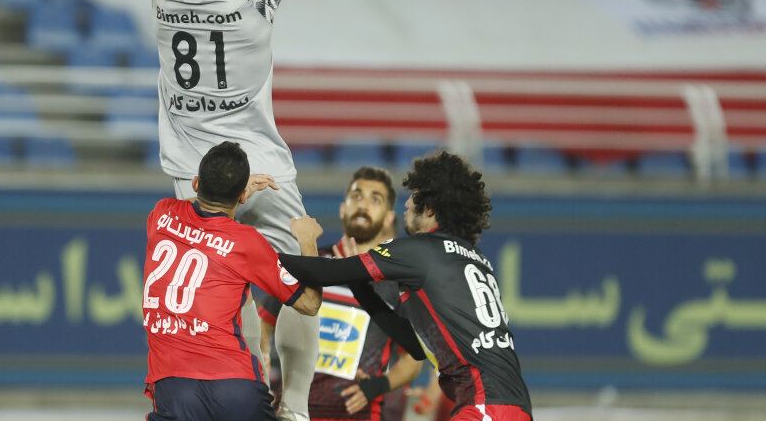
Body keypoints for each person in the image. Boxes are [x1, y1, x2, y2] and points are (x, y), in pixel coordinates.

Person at [147, 0, 320, 420]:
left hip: (194, 175)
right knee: (299, 275)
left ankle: (238, 389)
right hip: (262, 167)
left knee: (224, 288)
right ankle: (294, 406)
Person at [278, 152, 534, 421]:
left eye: (414, 195)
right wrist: (360, 288)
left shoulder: (419, 251)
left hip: (484, 406)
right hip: (514, 407)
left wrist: (265, 250)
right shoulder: (476, 259)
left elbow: (324, 271)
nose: (408, 204)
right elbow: (416, 346)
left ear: (430, 208)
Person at [144, 141, 323, 421]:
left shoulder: (162, 215)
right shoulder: (247, 242)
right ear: (242, 197)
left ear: (195, 183)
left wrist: (225, 187)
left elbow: (194, 204)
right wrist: (308, 242)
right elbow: (310, 304)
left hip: (174, 387)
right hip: (236, 387)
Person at [259, 166, 424, 421]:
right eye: (356, 196)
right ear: (343, 209)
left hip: (357, 415)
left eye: (375, 199)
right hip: (291, 411)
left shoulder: (394, 283)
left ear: (388, 218)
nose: (363, 204)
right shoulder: (309, 262)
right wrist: (262, 372)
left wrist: (377, 386)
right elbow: (264, 322)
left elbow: (414, 358)